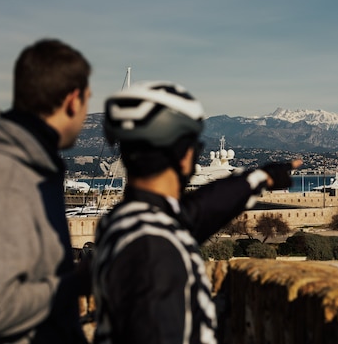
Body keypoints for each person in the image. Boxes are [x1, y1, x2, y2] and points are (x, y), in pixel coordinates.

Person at [93, 81, 301, 344]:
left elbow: (198, 211)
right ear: (182, 155)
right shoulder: (153, 248)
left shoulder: (124, 221)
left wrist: (263, 178)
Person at [0, 39, 93, 344]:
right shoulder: (2, 174)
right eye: (87, 101)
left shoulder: (30, 166)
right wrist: (78, 281)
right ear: (73, 100)